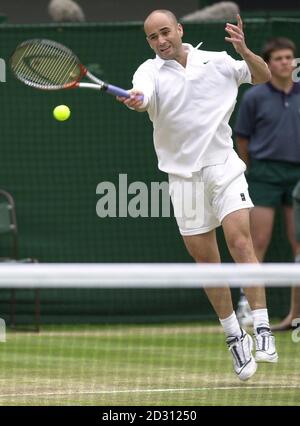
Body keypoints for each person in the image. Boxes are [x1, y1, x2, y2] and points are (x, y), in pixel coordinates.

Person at [117, 9, 278, 381]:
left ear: (179, 30)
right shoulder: (148, 71)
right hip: (182, 179)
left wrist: (245, 50)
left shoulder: (218, 61)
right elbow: (142, 96)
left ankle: (263, 327)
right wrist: (137, 100)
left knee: (241, 243)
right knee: (207, 263)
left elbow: (262, 76)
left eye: (165, 32)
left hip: (223, 165)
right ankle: (234, 338)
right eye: (153, 37)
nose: (161, 41)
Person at [235, 37, 300, 331]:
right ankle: (248, 309)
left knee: (298, 243)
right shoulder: (255, 96)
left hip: (297, 176)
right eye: (279, 58)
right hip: (264, 174)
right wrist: (250, 169)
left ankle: (295, 315)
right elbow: (243, 139)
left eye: (290, 57)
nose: (285, 62)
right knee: (256, 242)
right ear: (269, 63)